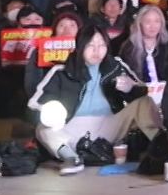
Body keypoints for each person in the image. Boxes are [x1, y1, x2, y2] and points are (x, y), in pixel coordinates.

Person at [27, 26, 161, 174]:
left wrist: (131, 87)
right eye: (91, 45)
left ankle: (163, 146)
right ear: (79, 46)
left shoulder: (116, 66)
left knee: (144, 102)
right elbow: (34, 103)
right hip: (70, 130)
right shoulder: (61, 71)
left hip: (109, 126)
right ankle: (71, 158)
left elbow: (143, 89)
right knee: (43, 129)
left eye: (102, 45)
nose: (97, 51)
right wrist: (51, 111)